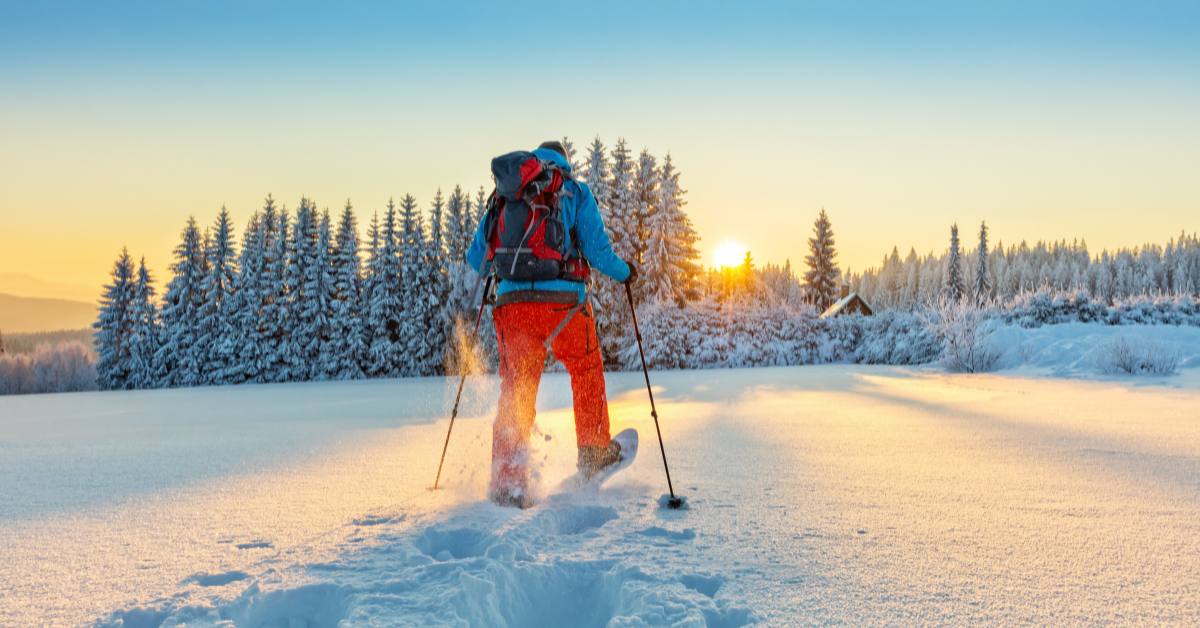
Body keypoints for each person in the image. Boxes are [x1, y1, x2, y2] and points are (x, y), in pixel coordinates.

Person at [466, 140, 637, 508]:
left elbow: (476, 258)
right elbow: (596, 251)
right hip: (565, 307)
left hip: (512, 308)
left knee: (517, 389)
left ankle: (508, 481)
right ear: (565, 162)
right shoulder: (573, 190)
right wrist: (626, 273)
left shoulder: (505, 196)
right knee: (585, 368)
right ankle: (593, 452)